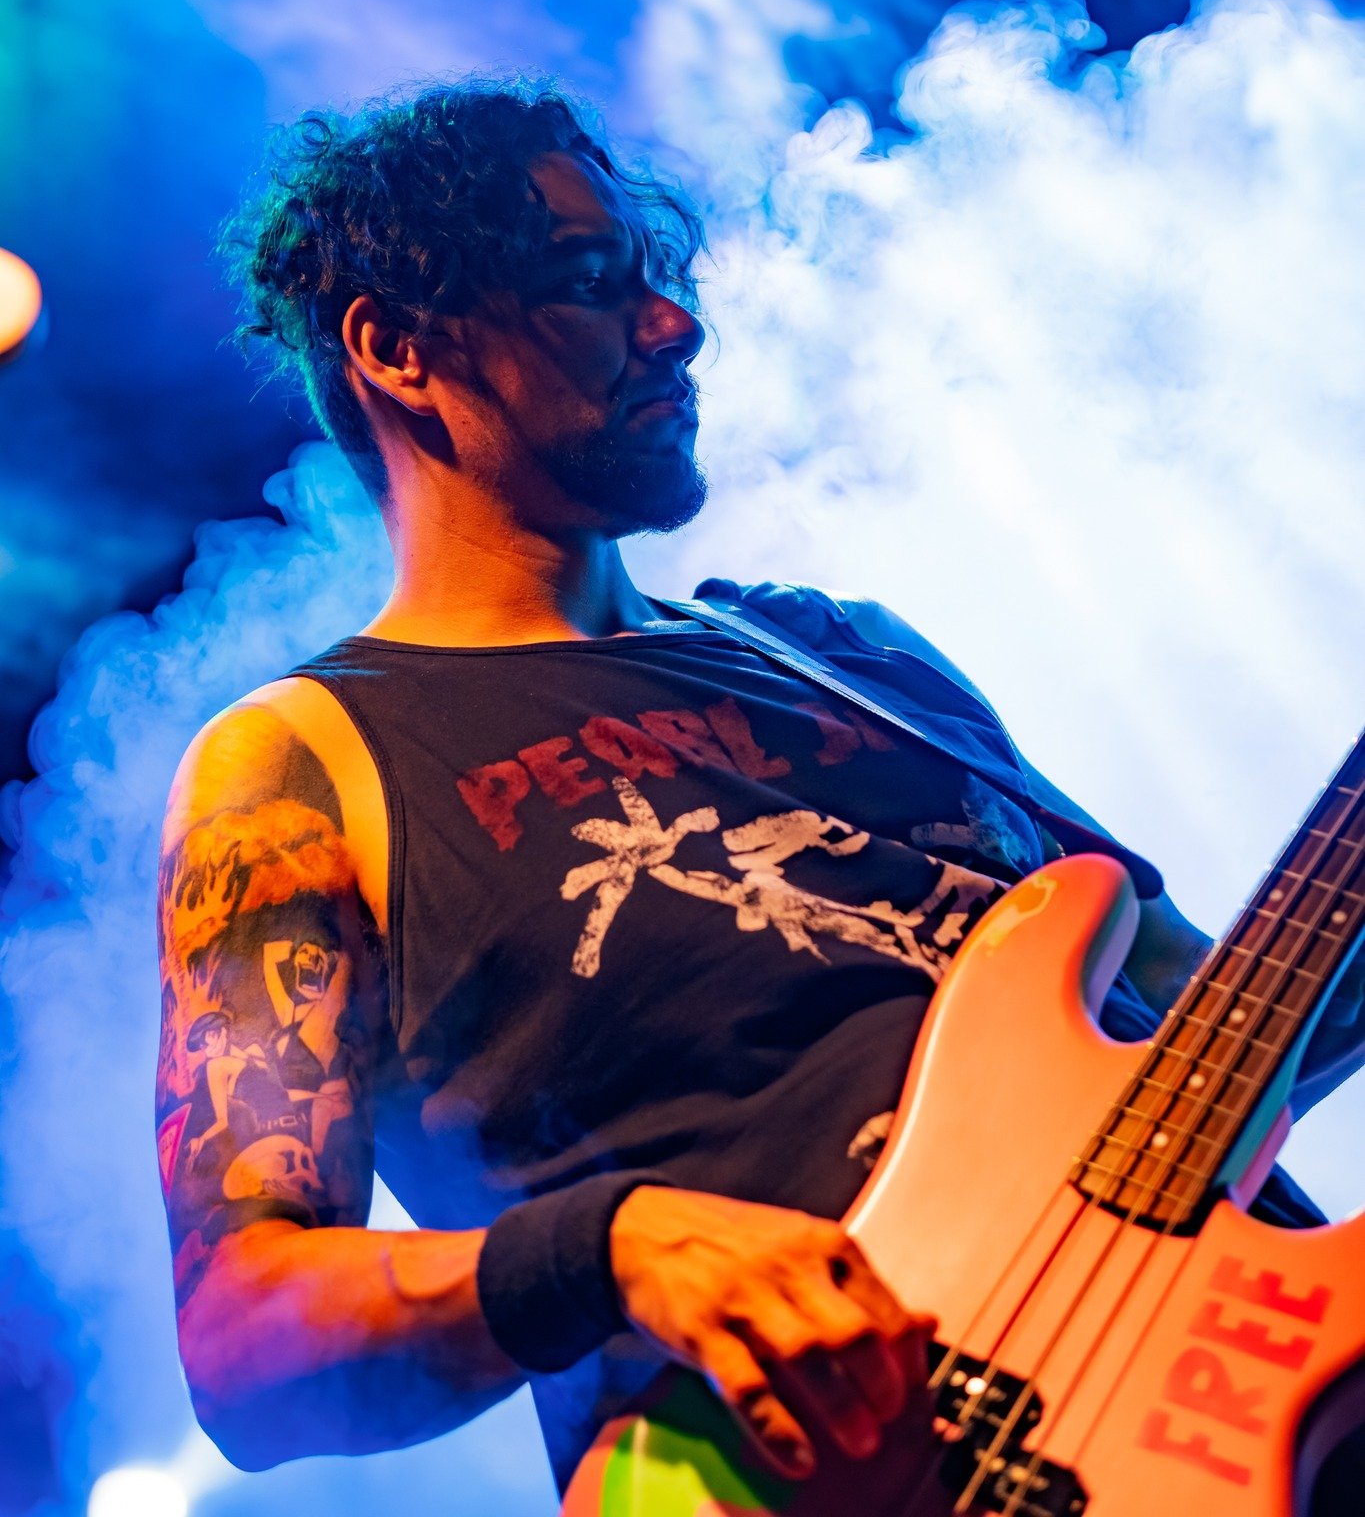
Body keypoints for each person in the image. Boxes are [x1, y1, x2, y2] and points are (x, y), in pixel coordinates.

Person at [155, 82, 1363, 1499]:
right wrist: (615, 1246)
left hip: (1260, 1410)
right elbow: (244, 1338)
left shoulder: (843, 654)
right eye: (589, 282)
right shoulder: (305, 763)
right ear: (396, 348)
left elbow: (1234, 1031)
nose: (675, 325)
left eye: (656, 277)